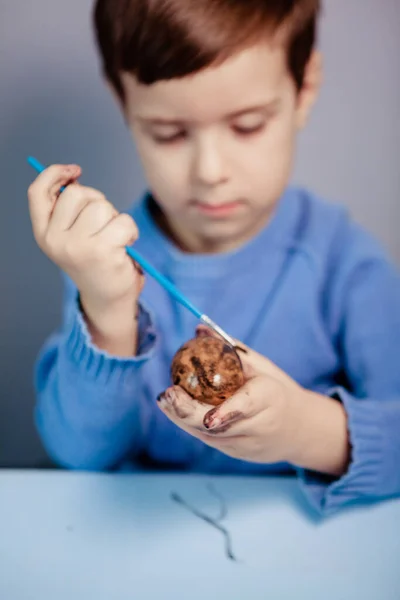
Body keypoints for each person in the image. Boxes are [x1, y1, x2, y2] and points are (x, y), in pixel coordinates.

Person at [27, 0, 400, 516]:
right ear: (124, 103)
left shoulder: (343, 263)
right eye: (170, 133)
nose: (210, 170)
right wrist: (108, 309)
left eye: (246, 125)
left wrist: (305, 431)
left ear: (304, 88)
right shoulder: (107, 261)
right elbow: (78, 456)